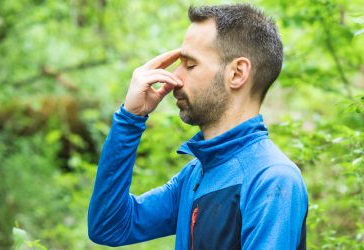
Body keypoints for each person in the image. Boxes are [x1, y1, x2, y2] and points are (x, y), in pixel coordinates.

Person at [88, 4, 308, 250]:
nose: (175, 78)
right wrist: (130, 118)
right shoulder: (195, 174)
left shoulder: (272, 179)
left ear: (237, 73)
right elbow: (109, 226)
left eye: (190, 64)